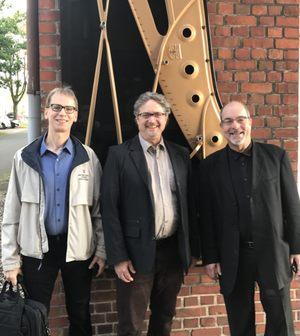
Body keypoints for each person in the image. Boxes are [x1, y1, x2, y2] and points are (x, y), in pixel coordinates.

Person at [2, 86, 106, 336]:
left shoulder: (88, 158)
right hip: (37, 250)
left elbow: (99, 211)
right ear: (46, 111)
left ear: (76, 115)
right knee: (35, 314)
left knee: (80, 314)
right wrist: (10, 260)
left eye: (69, 109)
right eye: (57, 107)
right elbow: (11, 214)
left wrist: (101, 249)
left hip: (78, 250)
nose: (62, 113)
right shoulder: (24, 158)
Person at [199, 100, 300, 336]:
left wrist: (296, 247)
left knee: (280, 323)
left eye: (240, 119)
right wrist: (210, 256)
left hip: (273, 253)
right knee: (240, 323)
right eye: (228, 121)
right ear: (221, 126)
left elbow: (292, 205)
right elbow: (207, 216)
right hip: (233, 256)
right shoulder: (209, 167)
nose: (235, 126)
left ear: (250, 122)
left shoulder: (276, 157)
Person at [101, 91, 197, 336]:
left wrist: (192, 249)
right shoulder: (120, 155)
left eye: (157, 114)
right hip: (135, 254)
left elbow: (189, 205)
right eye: (145, 114)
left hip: (172, 252)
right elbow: (109, 209)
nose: (151, 120)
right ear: (136, 119)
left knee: (164, 318)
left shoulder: (180, 155)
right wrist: (119, 257)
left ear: (166, 118)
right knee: (130, 324)